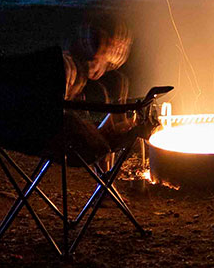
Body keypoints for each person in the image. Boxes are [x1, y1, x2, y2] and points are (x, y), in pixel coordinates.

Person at [55, 16, 158, 162]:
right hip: (65, 141)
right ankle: (105, 170)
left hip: (54, 132)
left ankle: (105, 169)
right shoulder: (68, 71)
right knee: (105, 139)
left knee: (119, 83)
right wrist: (101, 54)